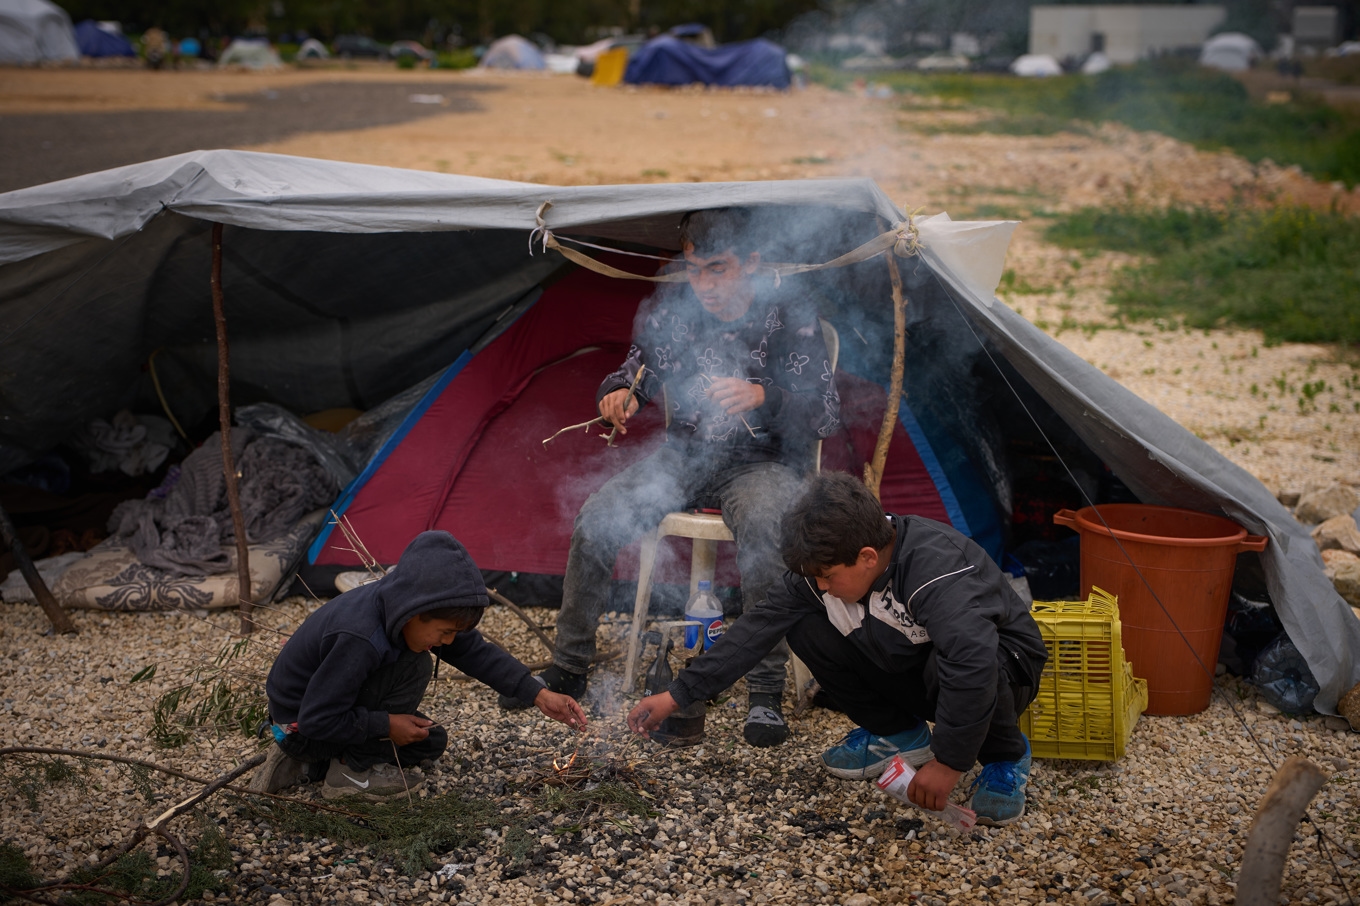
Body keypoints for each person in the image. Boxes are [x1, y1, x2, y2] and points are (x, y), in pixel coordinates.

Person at [501, 207, 841, 748]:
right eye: (693, 269)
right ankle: (569, 667)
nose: (703, 283)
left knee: (764, 533)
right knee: (595, 521)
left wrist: (764, 395)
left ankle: (765, 693)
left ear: (751, 262)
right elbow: (637, 368)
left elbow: (825, 412)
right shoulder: (674, 312)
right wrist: (619, 394)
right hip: (683, 458)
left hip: (764, 463)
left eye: (718, 268)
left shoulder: (789, 314)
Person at [627, 472, 1048, 825]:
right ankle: (901, 735)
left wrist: (950, 763)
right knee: (805, 627)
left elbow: (970, 664)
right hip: (914, 662)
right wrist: (678, 694)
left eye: (827, 576)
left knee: (963, 660)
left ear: (867, 556)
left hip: (1001, 668)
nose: (821, 585)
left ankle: (1005, 756)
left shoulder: (934, 570)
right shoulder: (827, 567)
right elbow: (756, 627)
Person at [251, 531, 587, 800]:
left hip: (319, 720)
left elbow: (475, 652)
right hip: (303, 727)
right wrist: (384, 725)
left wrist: (538, 694)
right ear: (416, 612)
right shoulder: (360, 637)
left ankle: (308, 765)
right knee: (415, 665)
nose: (449, 641)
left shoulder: (400, 606)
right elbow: (316, 718)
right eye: (445, 632)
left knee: (429, 741)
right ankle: (349, 773)